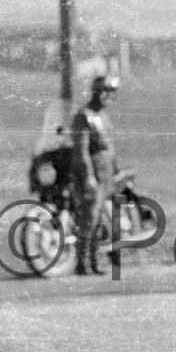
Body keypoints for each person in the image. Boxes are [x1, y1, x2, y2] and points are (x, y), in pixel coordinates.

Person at [70, 75, 119, 275]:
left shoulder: (102, 116)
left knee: (99, 220)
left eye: (111, 93)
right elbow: (81, 151)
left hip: (105, 174)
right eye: (104, 91)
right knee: (88, 220)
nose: (107, 96)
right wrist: (89, 176)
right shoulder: (84, 116)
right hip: (92, 175)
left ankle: (94, 261)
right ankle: (82, 263)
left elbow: (109, 147)